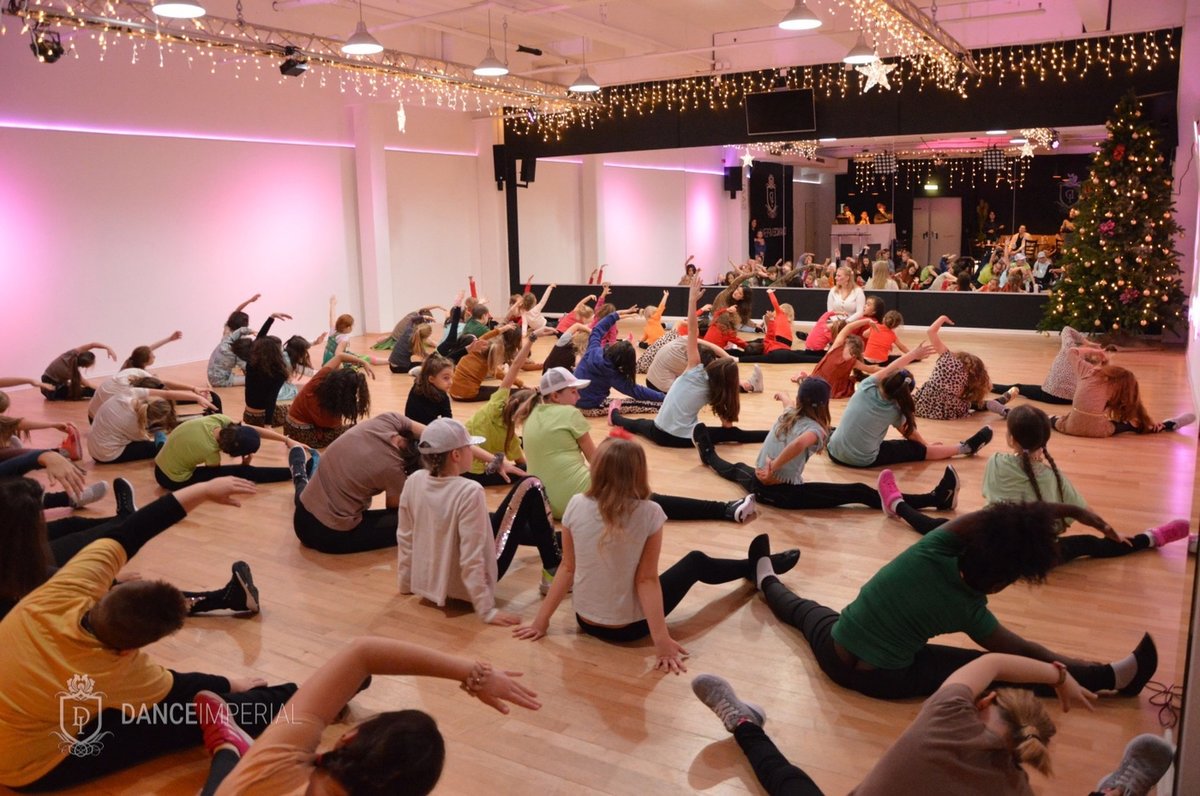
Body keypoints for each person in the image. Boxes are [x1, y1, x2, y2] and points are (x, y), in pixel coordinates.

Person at [0, 477, 297, 791]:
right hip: (27, 766)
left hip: (29, 712)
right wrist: (234, 684)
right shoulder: (120, 673)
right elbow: (183, 688)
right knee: (178, 719)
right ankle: (295, 697)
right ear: (130, 651)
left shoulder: (61, 590)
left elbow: (134, 529)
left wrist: (204, 490)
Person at [746, 507, 1159, 701]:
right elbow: (1029, 653)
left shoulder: (935, 545)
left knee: (801, 610)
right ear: (998, 584)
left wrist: (1072, 512)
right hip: (887, 680)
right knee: (999, 670)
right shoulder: (970, 612)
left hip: (836, 652)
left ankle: (764, 576)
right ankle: (1110, 678)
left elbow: (999, 517)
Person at [513, 438, 798, 672]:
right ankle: (758, 565)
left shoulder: (575, 504)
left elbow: (567, 568)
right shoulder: (650, 513)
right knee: (696, 561)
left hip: (585, 620)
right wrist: (662, 641)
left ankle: (757, 565)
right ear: (639, 473)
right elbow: (646, 580)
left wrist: (541, 621)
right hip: (628, 628)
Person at [690, 651, 1095, 796]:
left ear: (985, 700)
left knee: (785, 781)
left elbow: (993, 662)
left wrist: (1059, 676)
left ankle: (743, 723)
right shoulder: (1017, 789)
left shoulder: (950, 715)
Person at [202, 637, 539, 796]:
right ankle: (230, 747)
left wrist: (472, 672)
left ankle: (230, 747)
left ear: (348, 737)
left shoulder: (276, 761)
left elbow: (363, 654)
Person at [883, 404, 1192, 557]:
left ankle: (897, 505)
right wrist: (1107, 530)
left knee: (939, 529)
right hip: (1039, 551)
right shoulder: (1055, 476)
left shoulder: (998, 462)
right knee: (1091, 545)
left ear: (1012, 439)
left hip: (997, 543)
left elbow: (991, 498)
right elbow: (1080, 513)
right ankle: (1151, 538)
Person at [0, 477, 258, 622]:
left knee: (73, 528)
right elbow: (133, 534)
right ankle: (221, 598)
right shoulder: (26, 584)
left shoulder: (16, 563)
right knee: (118, 599)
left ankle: (122, 517)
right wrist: (203, 490)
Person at [521, 367, 757, 523]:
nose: (578, 397)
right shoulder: (570, 415)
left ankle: (725, 509)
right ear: (555, 396)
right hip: (576, 500)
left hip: (545, 505)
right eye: (573, 392)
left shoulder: (530, 415)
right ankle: (725, 509)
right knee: (648, 498)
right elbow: (597, 463)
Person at [697, 376, 956, 512]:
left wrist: (784, 397)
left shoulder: (789, 413)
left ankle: (708, 454)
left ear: (799, 400)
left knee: (733, 469)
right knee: (858, 491)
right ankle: (933, 499)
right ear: (825, 404)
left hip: (757, 481)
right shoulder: (817, 430)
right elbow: (801, 443)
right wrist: (774, 466)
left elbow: (789, 408)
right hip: (785, 494)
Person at [396, 418, 563, 623]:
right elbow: (471, 556)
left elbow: (405, 536)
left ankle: (563, 544)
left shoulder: (414, 480)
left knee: (492, 518)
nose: (473, 451)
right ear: (456, 455)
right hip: (464, 589)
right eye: (469, 447)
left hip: (429, 583)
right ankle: (553, 569)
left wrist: (406, 583)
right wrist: (486, 610)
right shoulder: (469, 490)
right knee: (531, 484)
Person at [610, 277, 767, 449]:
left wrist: (692, 300)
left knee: (639, 424)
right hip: (682, 438)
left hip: (658, 431)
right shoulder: (717, 389)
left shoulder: (692, 370)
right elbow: (727, 427)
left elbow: (692, 330)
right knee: (733, 434)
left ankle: (615, 416)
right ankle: (769, 434)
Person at [826, 344, 994, 468]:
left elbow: (891, 367)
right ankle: (965, 448)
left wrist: (913, 354)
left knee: (839, 430)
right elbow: (914, 438)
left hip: (833, 451)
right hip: (861, 461)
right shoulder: (895, 411)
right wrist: (927, 447)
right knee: (915, 449)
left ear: (886, 380)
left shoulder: (866, 386)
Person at [1050, 348, 1195, 437]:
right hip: (1099, 431)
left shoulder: (1085, 370)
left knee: (1051, 418)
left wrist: (1094, 351)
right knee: (1133, 424)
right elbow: (1131, 406)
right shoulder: (1116, 382)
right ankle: (1165, 425)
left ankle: (1048, 418)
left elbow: (1071, 352)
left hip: (1070, 428)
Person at [463, 332, 548, 485]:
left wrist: (531, 339)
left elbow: (515, 366)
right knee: (527, 470)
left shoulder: (497, 402)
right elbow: (522, 465)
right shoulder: (509, 438)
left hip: (459, 463)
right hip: (474, 474)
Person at [154, 414, 305, 489]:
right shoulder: (210, 451)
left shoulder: (218, 420)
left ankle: (159, 439)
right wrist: (244, 465)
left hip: (160, 462)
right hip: (170, 480)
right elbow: (215, 473)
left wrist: (286, 440)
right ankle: (296, 472)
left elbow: (251, 430)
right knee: (242, 472)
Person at [89, 388, 217, 464]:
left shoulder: (129, 393)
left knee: (159, 436)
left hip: (95, 444)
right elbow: (147, 438)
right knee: (165, 449)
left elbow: (166, 394)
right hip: (106, 454)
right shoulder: (131, 422)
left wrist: (196, 397)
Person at [573, 312, 665, 416]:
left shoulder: (593, 349)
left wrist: (614, 316)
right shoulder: (611, 372)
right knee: (643, 404)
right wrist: (664, 397)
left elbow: (597, 329)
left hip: (574, 399)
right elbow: (635, 390)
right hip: (590, 406)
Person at [913, 315, 1002, 420]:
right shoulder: (967, 374)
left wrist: (943, 318)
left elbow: (930, 331)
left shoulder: (946, 356)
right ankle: (995, 403)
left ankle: (995, 403)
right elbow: (958, 395)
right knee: (969, 403)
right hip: (944, 411)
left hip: (923, 404)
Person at [991, 326, 1105, 405]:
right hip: (1071, 399)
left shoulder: (1069, 349)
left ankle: (990, 387)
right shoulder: (1092, 368)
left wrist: (1087, 342)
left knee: (1019, 387)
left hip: (1050, 394)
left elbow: (1066, 329)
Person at [284, 352, 374, 448]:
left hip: (289, 425)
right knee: (357, 429)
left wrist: (362, 362)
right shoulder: (326, 411)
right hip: (304, 435)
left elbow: (340, 357)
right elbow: (334, 427)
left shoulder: (319, 378)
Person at [805, 318, 878, 399]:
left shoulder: (837, 347)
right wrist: (887, 369)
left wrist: (867, 321)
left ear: (845, 342)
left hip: (816, 382)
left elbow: (848, 327)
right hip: (827, 389)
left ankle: (801, 378)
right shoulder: (852, 361)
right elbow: (871, 369)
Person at [40, 342, 117, 401]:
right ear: (85, 366)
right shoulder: (72, 372)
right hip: (51, 390)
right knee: (89, 391)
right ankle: (109, 395)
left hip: (47, 383)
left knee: (82, 389)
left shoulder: (70, 354)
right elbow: (88, 384)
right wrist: (104, 390)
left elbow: (92, 345)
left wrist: (107, 348)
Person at [405, 354, 454, 426]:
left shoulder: (417, 386)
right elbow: (449, 422)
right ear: (431, 379)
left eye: (452, 377)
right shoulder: (442, 397)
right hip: (425, 430)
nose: (451, 382)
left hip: (409, 428)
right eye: (446, 378)